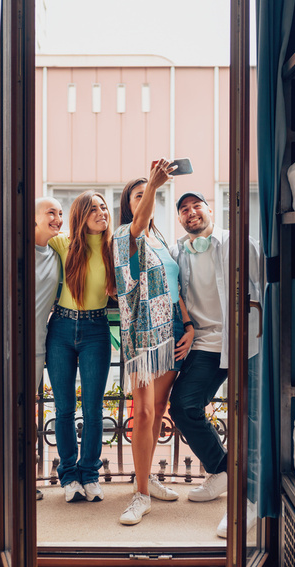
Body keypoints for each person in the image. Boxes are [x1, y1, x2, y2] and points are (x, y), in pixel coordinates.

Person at [169, 192, 260, 537]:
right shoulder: (178, 251)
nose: (191, 213)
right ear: (180, 218)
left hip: (246, 342)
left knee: (252, 418)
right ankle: (221, 469)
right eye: (184, 210)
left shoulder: (237, 242)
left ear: (210, 210)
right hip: (205, 345)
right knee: (183, 405)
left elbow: (270, 273)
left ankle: (249, 500)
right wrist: (189, 327)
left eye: (196, 206)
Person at [114, 160, 195, 525]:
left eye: (145, 193)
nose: (144, 198)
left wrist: (189, 325)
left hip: (173, 331)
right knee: (143, 413)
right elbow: (138, 225)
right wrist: (155, 186)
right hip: (144, 336)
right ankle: (140, 494)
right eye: (138, 194)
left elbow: (176, 288)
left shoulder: (162, 240)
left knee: (159, 408)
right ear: (130, 203)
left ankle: (146, 479)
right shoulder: (125, 236)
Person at [45, 191, 115, 504]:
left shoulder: (114, 248)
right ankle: (69, 475)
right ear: (81, 215)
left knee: (93, 408)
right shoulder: (63, 244)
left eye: (104, 207)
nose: (102, 212)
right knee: (63, 408)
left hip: (97, 330)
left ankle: (90, 475)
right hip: (60, 328)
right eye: (94, 209)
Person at [35, 197, 62, 500]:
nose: (57, 218)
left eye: (60, 213)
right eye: (50, 213)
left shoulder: (57, 252)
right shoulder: (15, 250)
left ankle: (27, 479)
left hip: (40, 346)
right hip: (8, 345)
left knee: (28, 414)